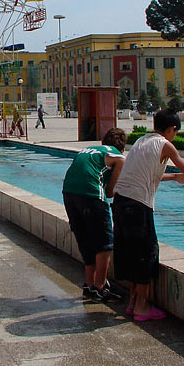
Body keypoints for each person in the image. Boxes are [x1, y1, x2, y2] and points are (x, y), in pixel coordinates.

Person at [112, 109, 184, 322]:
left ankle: (133, 303)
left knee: (130, 253)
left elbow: (145, 174)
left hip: (120, 203)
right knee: (147, 254)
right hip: (138, 205)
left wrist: (173, 177)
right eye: (175, 131)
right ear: (172, 128)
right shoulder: (165, 144)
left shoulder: (141, 142)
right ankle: (142, 307)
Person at [63, 128, 126, 302]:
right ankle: (100, 287)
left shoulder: (87, 150)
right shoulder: (119, 157)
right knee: (104, 242)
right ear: (122, 147)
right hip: (91, 194)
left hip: (68, 193)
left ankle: (90, 285)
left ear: (103, 142)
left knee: (85, 240)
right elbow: (111, 191)